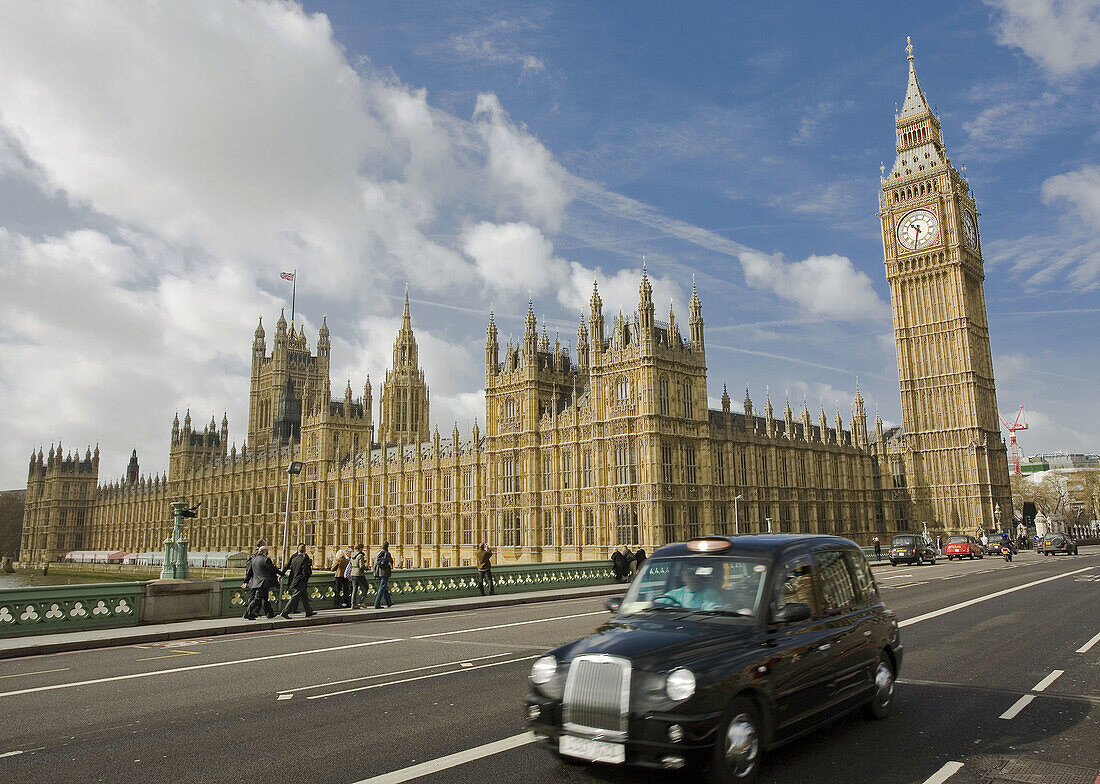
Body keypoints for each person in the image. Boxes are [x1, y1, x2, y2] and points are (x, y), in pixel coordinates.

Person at [242, 546, 281, 620]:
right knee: (257, 599)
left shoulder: (254, 559)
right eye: (267, 550)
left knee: (265, 599)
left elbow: (250, 572)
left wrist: (245, 581)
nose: (268, 552)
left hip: (256, 582)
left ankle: (270, 613)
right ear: (264, 551)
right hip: (263, 583)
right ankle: (247, 613)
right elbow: (273, 569)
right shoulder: (266, 559)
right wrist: (282, 573)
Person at [280, 544, 316, 618]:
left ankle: (308, 611)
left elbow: (288, 567)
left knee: (304, 596)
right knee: (295, 597)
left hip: (295, 580)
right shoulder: (304, 559)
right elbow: (305, 572)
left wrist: (281, 574)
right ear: (305, 550)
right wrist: (307, 576)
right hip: (301, 581)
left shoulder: (294, 558)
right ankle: (285, 612)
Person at [373, 542, 394, 609]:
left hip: (379, 572)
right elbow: (390, 561)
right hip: (384, 573)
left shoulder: (378, 553)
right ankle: (377, 603)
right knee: (382, 588)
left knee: (384, 588)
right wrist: (389, 563)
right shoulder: (386, 553)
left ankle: (388, 602)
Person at [349, 544, 370, 609]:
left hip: (353, 573)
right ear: (360, 548)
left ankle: (353, 604)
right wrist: (367, 568)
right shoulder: (360, 555)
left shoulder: (352, 555)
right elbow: (361, 566)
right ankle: (361, 601)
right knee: (366, 587)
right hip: (359, 574)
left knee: (354, 590)